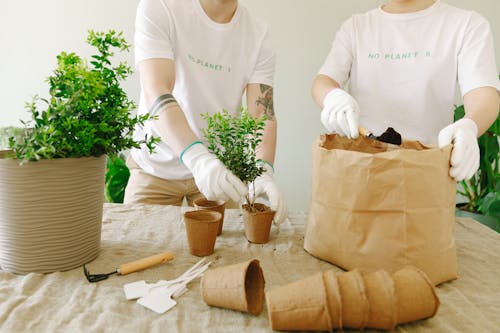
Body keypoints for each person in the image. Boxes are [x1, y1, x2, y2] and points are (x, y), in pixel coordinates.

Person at [124, 0, 287, 225]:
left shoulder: (258, 35)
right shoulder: (160, 6)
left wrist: (262, 170)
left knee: (229, 254)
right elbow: (157, 89)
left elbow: (261, 114)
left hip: (219, 175)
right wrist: (198, 159)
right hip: (154, 168)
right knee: (136, 246)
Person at [312, 0, 499, 181]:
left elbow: (483, 93)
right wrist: (333, 96)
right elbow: (324, 81)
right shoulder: (355, 27)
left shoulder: (466, 24)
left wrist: (469, 126)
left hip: (426, 174)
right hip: (362, 172)